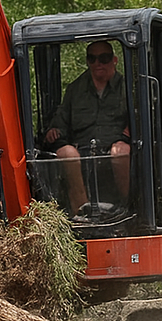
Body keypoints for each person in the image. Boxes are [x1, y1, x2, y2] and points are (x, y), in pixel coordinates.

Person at [44, 40, 131, 214]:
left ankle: (129, 208)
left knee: (120, 151)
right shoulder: (75, 90)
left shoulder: (128, 88)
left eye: (104, 58)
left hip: (115, 146)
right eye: (92, 59)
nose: (98, 63)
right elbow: (61, 122)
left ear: (114, 60)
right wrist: (54, 131)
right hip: (82, 150)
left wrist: (129, 132)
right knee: (66, 153)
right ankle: (82, 213)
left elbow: (140, 117)